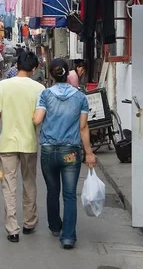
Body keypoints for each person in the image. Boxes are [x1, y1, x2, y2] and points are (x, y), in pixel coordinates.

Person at [33, 59, 97, 249]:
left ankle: (55, 226)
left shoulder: (45, 95)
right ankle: (68, 237)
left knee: (53, 191)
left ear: (51, 74)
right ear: (68, 73)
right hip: (71, 152)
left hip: (49, 150)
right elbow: (83, 127)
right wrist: (89, 153)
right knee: (69, 195)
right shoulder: (80, 97)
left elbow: (37, 120)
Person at [0, 51, 45, 243]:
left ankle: (12, 229)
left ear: (16, 65)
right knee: (29, 182)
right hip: (29, 142)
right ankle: (29, 222)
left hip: (7, 142)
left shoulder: (3, 86)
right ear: (34, 69)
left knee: (8, 185)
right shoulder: (40, 88)